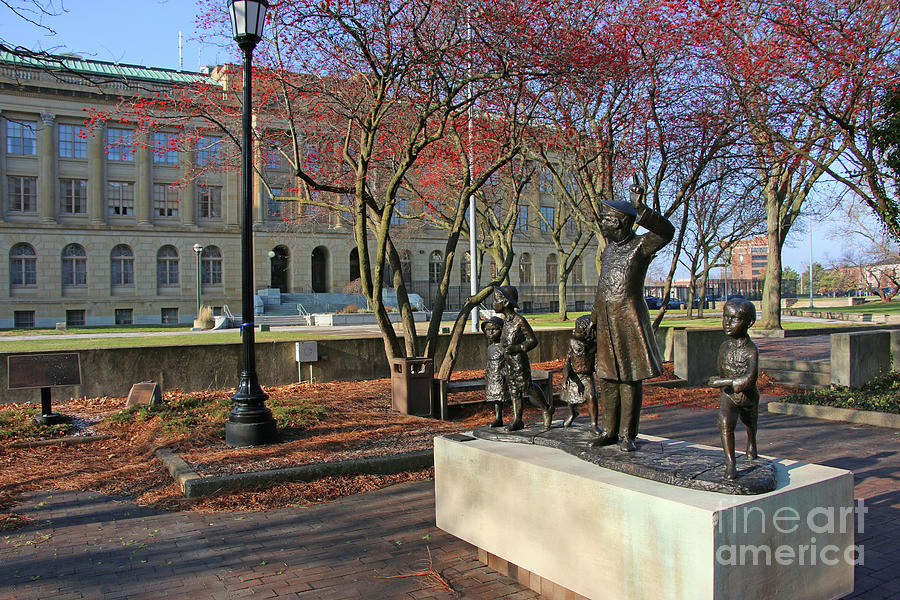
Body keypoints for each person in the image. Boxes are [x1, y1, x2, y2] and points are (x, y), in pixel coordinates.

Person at [591, 177, 675, 452]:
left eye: (605, 220)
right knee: (607, 378)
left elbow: (667, 232)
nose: (602, 224)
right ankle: (609, 431)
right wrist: (593, 320)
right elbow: (602, 287)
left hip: (628, 320)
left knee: (629, 378)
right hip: (606, 322)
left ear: (619, 223)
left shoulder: (641, 246)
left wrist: (641, 209)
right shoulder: (610, 249)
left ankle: (628, 434)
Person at [708, 298, 760, 480]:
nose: (727, 323)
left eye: (734, 319)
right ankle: (731, 463)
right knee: (724, 424)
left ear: (749, 322)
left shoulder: (750, 351)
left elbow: (749, 379)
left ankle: (752, 443)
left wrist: (724, 382)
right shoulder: (724, 347)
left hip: (747, 397)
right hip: (728, 396)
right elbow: (720, 371)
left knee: (750, 422)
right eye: (725, 317)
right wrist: (718, 381)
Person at [492, 285, 554, 430]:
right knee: (514, 390)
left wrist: (518, 348)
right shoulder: (506, 322)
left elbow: (533, 340)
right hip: (508, 362)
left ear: (506, 302)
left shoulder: (519, 321)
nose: (493, 304)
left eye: (496, 300)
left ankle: (546, 408)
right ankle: (517, 419)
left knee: (527, 386)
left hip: (519, 361)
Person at [561, 315, 598, 430]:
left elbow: (597, 363)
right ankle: (573, 413)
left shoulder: (595, 345)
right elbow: (567, 361)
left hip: (587, 376)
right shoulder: (572, 343)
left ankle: (594, 424)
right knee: (571, 401)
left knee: (592, 396)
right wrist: (565, 377)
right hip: (574, 375)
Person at [481, 316, 508, 427]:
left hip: (504, 375)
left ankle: (516, 417)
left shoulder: (505, 346)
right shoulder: (490, 347)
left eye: (494, 330)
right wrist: (487, 374)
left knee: (509, 397)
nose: (490, 333)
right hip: (493, 375)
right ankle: (498, 417)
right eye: (487, 330)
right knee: (496, 398)